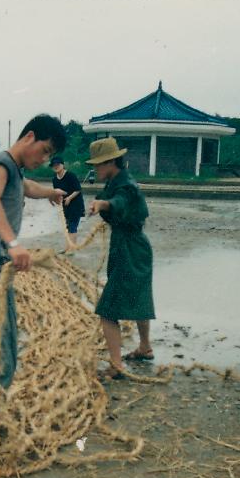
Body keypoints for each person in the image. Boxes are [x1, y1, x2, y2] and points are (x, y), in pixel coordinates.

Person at [0, 114, 67, 443]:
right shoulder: (1, 164)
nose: (44, 159)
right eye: (44, 151)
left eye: (49, 156)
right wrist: (13, 242)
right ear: (29, 137)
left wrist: (51, 192)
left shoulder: (15, 172)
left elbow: (27, 187)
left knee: (4, 341)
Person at [85, 137, 155, 379]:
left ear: (110, 161)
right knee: (140, 296)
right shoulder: (117, 180)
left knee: (108, 309)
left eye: (97, 165)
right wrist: (100, 204)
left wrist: (103, 204)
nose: (95, 170)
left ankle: (116, 365)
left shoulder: (125, 185)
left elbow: (119, 201)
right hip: (133, 245)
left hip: (129, 247)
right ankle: (145, 347)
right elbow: (110, 200)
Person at [50, 156, 85, 246]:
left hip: (75, 204)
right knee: (67, 226)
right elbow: (57, 193)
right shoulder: (54, 179)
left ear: (63, 165)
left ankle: (72, 248)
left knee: (72, 226)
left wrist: (69, 198)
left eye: (58, 164)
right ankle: (68, 247)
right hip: (65, 206)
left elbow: (78, 189)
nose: (56, 166)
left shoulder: (70, 175)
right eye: (54, 165)